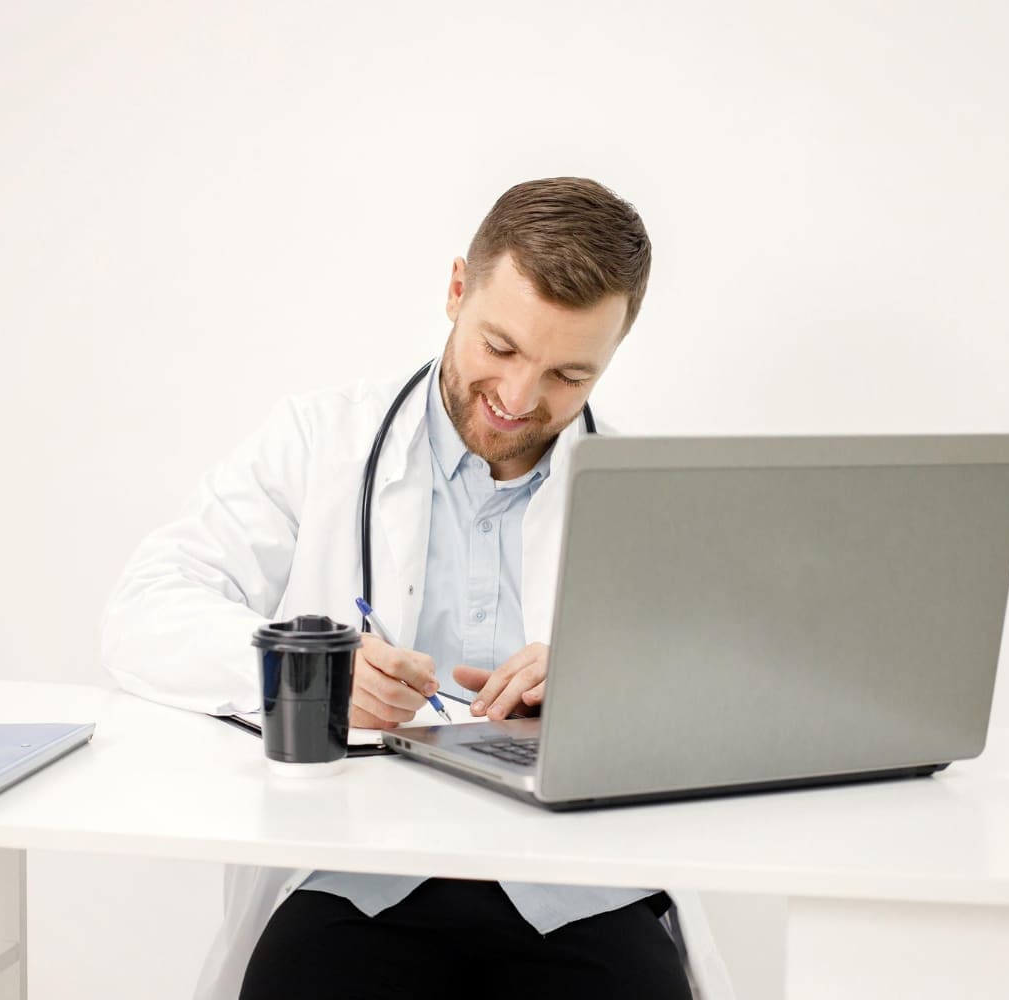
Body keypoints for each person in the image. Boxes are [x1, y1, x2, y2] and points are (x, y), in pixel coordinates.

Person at [102, 178, 718, 999]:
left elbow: (725, 690)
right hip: (360, 878)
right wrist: (315, 677)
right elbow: (144, 609)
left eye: (570, 373)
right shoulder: (319, 441)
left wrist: (604, 683)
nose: (520, 399)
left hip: (578, 885)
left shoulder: (651, 494)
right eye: (500, 348)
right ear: (457, 288)